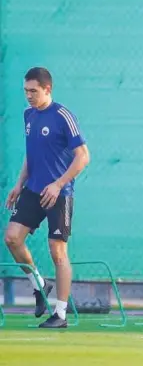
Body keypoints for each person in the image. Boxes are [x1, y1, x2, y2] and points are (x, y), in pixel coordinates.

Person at [4, 67, 90, 328]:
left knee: (58, 251)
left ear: (47, 89)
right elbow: (32, 154)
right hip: (33, 190)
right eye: (26, 91)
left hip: (59, 194)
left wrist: (58, 184)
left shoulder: (63, 116)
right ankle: (40, 286)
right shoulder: (28, 115)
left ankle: (60, 314)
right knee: (12, 238)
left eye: (34, 91)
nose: (29, 96)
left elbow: (83, 156)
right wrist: (19, 184)